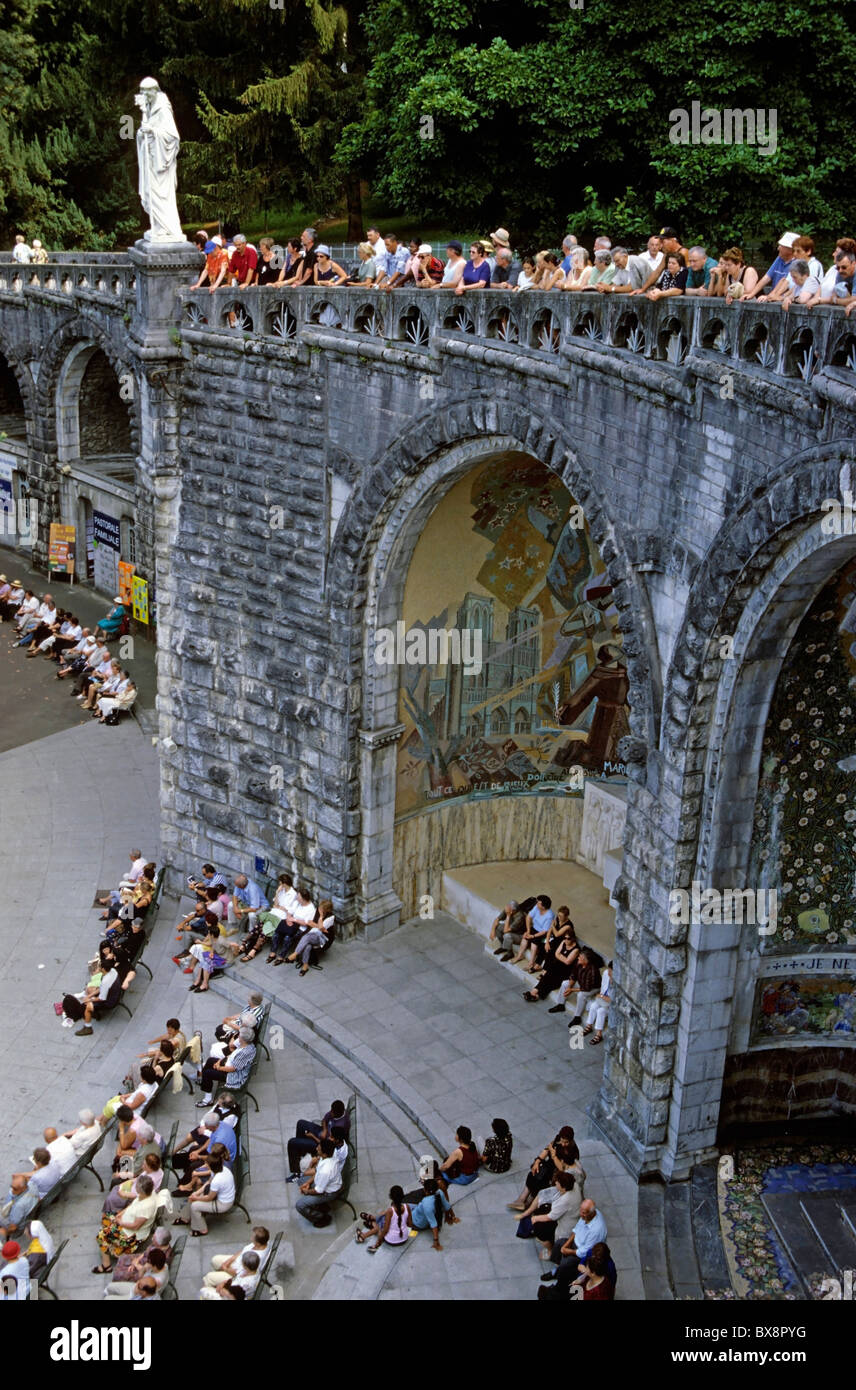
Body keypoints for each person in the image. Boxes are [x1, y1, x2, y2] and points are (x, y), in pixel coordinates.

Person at [93, 1174, 169, 1273]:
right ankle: (113, 1245)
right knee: (106, 1217)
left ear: (140, 1190)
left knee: (101, 1236)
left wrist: (120, 1222)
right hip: (125, 1222)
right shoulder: (147, 1194)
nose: (135, 1187)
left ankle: (106, 1265)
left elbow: (136, 1226)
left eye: (136, 1186)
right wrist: (121, 1213)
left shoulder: (146, 1207)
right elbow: (132, 1205)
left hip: (131, 1235)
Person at [539, 1198, 608, 1293]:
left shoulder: (596, 1230)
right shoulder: (586, 1216)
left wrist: (567, 1251)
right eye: (581, 1211)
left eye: (583, 1213)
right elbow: (576, 1230)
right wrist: (565, 1246)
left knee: (565, 1264)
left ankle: (558, 1283)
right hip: (576, 1243)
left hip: (583, 1253)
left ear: (591, 1213)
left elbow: (584, 1252)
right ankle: (556, 1270)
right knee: (559, 1244)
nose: (581, 1214)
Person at [507, 1126, 579, 1209]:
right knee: (534, 1173)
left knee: (541, 1181)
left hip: (559, 1172)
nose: (563, 1144)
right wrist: (537, 1161)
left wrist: (554, 1155)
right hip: (549, 1165)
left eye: (566, 1142)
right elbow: (547, 1149)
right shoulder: (557, 1139)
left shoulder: (572, 1151)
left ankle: (529, 1203)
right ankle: (521, 1199)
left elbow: (562, 1168)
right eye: (562, 1141)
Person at [515, 1169, 578, 1254]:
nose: (555, 1183)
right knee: (542, 1198)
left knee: (539, 1228)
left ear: (563, 1187)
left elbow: (550, 1217)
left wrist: (535, 1218)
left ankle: (550, 1251)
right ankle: (527, 1213)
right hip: (570, 1215)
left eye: (557, 1183)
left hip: (563, 1226)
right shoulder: (575, 1186)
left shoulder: (564, 1201)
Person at [286, 1100, 350, 1178]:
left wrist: (312, 1136)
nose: (330, 1113)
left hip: (321, 1144)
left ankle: (296, 1172)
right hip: (322, 1133)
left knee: (292, 1143)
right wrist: (325, 1130)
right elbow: (324, 1120)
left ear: (338, 1113)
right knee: (301, 1123)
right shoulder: (335, 1112)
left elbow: (326, 1147)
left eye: (332, 1112)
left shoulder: (339, 1128)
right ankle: (301, 1153)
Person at [174, 1155, 235, 1236]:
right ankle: (185, 1218)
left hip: (223, 1204)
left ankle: (201, 1229)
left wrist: (197, 1198)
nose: (205, 1165)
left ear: (211, 1166)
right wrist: (197, 1193)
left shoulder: (218, 1180)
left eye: (207, 1164)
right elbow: (208, 1182)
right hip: (222, 1196)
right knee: (193, 1196)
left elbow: (209, 1198)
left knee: (195, 1206)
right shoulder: (222, 1169)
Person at [196, 1027, 256, 1106]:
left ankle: (208, 1100)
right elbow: (231, 1054)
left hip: (234, 1076)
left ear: (243, 1039)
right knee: (210, 1060)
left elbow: (232, 1069)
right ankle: (205, 1082)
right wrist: (219, 1061)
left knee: (208, 1073)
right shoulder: (244, 1044)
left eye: (239, 1036)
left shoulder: (244, 1053)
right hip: (229, 1064)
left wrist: (219, 1067)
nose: (238, 1037)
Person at [201, 1226, 270, 1291]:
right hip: (237, 1263)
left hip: (235, 1274)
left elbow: (238, 1273)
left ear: (258, 1243)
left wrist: (225, 1269)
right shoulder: (262, 1243)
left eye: (252, 1237)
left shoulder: (255, 1258)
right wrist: (230, 1260)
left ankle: (207, 1291)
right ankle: (217, 1279)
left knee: (209, 1278)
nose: (251, 1237)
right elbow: (243, 1251)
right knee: (215, 1260)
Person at [295, 1137, 342, 1226]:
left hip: (328, 1193)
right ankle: (320, 1205)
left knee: (300, 1205)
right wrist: (308, 1183)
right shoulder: (328, 1155)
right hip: (323, 1184)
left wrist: (306, 1191)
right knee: (301, 1180)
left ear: (324, 1153)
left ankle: (321, 1217)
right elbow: (317, 1171)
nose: (316, 1148)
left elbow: (318, 1191)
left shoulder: (326, 1170)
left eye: (319, 1148)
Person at [743, 231, 799, 299]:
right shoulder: (779, 258)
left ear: (790, 250)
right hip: (773, 299)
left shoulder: (797, 263)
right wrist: (751, 294)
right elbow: (766, 278)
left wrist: (768, 297)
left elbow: (787, 284)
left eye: (781, 246)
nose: (778, 248)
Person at [355, 1185, 411, 1251]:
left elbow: (385, 1230)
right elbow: (410, 1224)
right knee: (383, 1217)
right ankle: (372, 1221)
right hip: (404, 1238)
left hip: (392, 1240)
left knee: (378, 1226)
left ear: (391, 1197)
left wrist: (378, 1243)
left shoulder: (390, 1211)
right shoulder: (407, 1207)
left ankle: (363, 1235)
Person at [103, 1245, 169, 1299]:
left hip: (138, 1294)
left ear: (154, 1266)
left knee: (108, 1298)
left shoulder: (156, 1281)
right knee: (110, 1286)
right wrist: (145, 1267)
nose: (147, 1262)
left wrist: (143, 1268)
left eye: (149, 1262)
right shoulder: (163, 1265)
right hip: (138, 1287)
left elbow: (140, 1280)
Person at [508, 894, 554, 968]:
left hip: (542, 933)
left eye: (538, 903)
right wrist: (528, 931)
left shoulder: (550, 915)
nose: (537, 903)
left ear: (543, 906)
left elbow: (545, 931)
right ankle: (519, 956)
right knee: (525, 937)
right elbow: (528, 917)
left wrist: (533, 936)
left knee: (534, 943)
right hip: (534, 928)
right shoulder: (536, 907)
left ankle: (531, 963)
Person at [408, 1178, 451, 1250]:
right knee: (406, 1205)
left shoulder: (427, 1203)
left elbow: (433, 1223)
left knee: (401, 1210)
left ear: (426, 1191)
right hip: (417, 1211)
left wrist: (436, 1241)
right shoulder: (439, 1192)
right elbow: (447, 1205)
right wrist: (451, 1216)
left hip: (417, 1222)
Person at [0, 1175, 39, 1242]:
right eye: (11, 1187)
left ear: (23, 1188)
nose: (12, 1190)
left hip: (17, 1228)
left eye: (15, 1189)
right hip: (26, 1213)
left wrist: (4, 1232)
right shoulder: (32, 1185)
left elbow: (13, 1228)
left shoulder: (19, 1206)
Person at [583, 961, 613, 1044]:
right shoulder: (606, 973)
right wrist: (601, 996)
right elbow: (603, 987)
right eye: (609, 970)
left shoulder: (619, 982)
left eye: (611, 971)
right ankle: (589, 1026)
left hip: (611, 1004)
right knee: (593, 1006)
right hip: (603, 999)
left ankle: (598, 1034)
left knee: (600, 1011)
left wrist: (602, 996)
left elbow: (614, 1000)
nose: (609, 972)